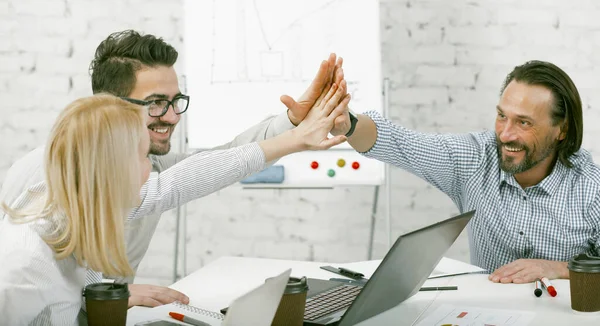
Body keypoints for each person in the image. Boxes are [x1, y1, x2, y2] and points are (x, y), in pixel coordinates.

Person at [0, 30, 347, 307]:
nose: (172, 115)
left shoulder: (144, 159)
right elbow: (165, 188)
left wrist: (291, 123)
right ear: (110, 108)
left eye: (175, 101)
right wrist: (296, 140)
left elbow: (217, 161)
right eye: (156, 104)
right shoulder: (55, 168)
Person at [325, 60, 600, 284]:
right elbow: (401, 144)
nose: (505, 134)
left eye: (524, 123)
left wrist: (559, 269)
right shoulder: (475, 159)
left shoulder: (590, 186)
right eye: (502, 116)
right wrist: (348, 124)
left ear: (561, 130)